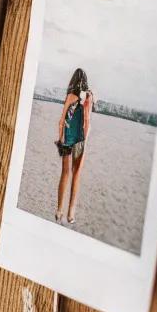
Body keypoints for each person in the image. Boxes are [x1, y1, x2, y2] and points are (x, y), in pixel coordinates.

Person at [55, 68, 93, 225]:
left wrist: (60, 138)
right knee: (76, 174)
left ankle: (59, 210)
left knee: (65, 173)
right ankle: (71, 213)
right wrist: (85, 140)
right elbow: (87, 121)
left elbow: (61, 121)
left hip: (68, 138)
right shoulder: (89, 97)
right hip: (80, 139)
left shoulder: (70, 96)